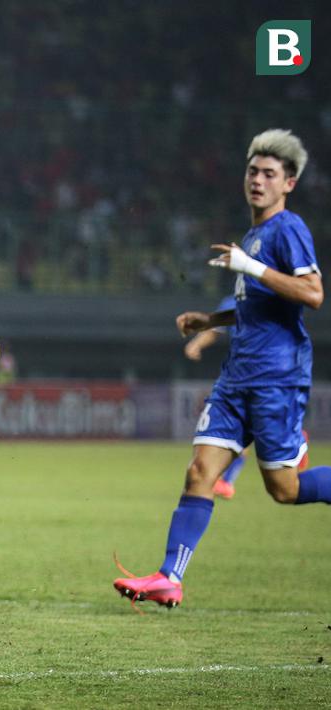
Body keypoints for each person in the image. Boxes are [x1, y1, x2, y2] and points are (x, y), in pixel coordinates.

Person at [114, 129, 329, 609]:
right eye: (253, 170)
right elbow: (259, 304)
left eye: (269, 174)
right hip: (237, 379)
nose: (257, 180)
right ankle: (170, 577)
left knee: (285, 489)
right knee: (199, 473)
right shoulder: (253, 236)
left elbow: (313, 294)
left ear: (288, 183)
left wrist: (250, 267)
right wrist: (210, 320)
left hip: (277, 379)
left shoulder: (287, 229)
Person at [182, 294, 310, 500]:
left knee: (283, 488)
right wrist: (196, 344)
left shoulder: (276, 294)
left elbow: (309, 299)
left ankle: (295, 439)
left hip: (275, 377)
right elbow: (216, 330)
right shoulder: (231, 302)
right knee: (238, 435)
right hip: (243, 374)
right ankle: (226, 481)